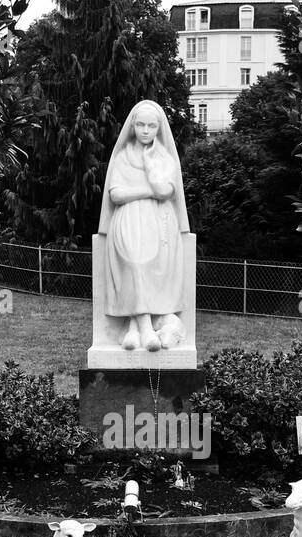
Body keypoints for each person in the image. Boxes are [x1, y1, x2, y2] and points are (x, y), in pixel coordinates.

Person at [97, 100, 190, 351]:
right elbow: (116, 195)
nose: (146, 130)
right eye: (140, 125)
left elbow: (165, 191)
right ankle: (147, 329)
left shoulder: (164, 157)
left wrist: (150, 167)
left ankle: (134, 328)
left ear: (159, 129)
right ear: (133, 126)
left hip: (159, 224)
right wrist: (147, 191)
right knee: (135, 262)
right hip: (127, 221)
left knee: (147, 263)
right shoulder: (123, 156)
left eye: (151, 126)